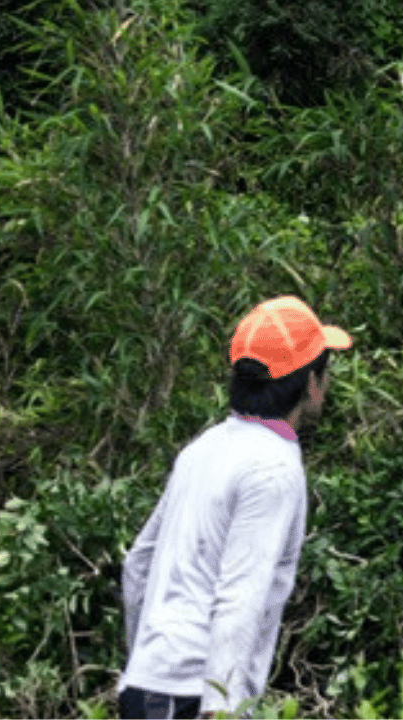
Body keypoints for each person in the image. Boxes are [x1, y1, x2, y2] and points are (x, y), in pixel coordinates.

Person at [116, 296, 353, 719]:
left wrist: (145, 668)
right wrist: (221, 708)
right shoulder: (274, 468)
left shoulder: (203, 448)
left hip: (147, 688)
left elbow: (138, 565)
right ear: (311, 381)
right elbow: (241, 595)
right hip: (197, 698)